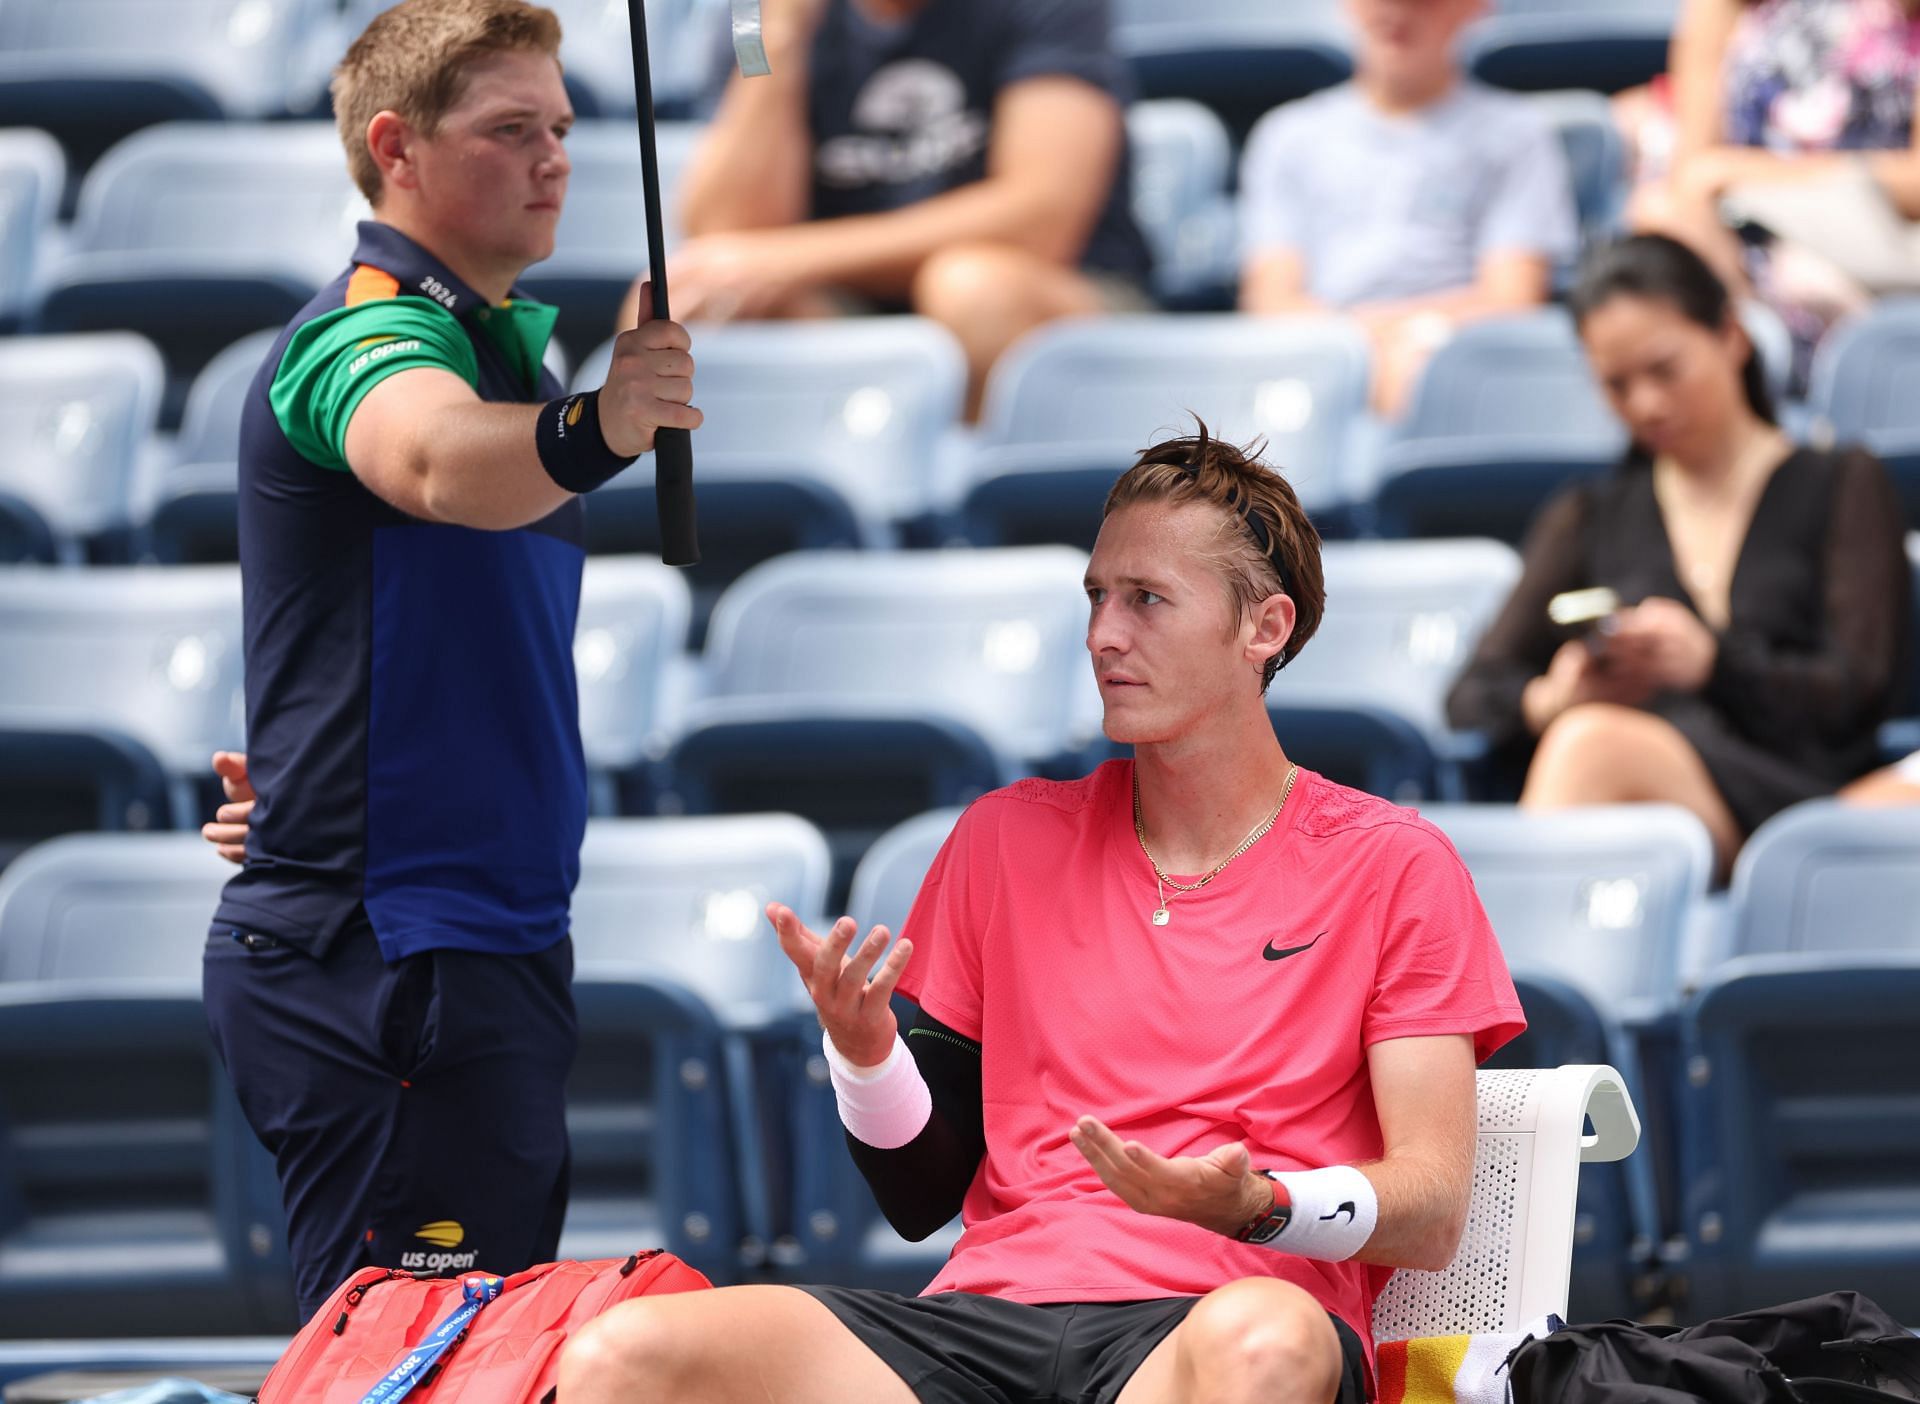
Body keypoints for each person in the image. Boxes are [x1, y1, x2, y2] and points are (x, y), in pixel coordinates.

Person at [554, 428, 1526, 1404]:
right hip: (988, 1317)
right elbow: (919, 1195)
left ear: (1263, 629)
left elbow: (1433, 1208)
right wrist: (865, 1054)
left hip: (1220, 1315)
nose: (1105, 635)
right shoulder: (1002, 838)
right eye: (1098, 597)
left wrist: (1258, 1206)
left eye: (1147, 599)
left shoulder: (1394, 862)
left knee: (1264, 1345)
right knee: (621, 1354)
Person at [199, 0, 699, 1322]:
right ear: (396, 147)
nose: (555, 160)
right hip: (390, 960)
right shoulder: (361, 337)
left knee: (474, 1355)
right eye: (509, 130)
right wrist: (599, 425)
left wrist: (321, 780)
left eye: (565, 130)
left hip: (483, 949)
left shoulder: (493, 352)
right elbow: (426, 458)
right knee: (400, 1362)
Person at [1447, 234, 1910, 876]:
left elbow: (1859, 693)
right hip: (1649, 806)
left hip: (1799, 798)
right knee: (1585, 738)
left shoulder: (1840, 483)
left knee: (1591, 746)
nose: (1645, 404)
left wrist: (1713, 665)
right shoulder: (1592, 513)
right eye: (1616, 385)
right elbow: (1473, 691)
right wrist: (1555, 697)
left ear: (1730, 336)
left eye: (1664, 370)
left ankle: (1486, 972)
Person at [616, 0, 1154, 419]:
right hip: (855, 313)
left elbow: (1041, 217)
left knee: (972, 290)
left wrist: (793, 259)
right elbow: (725, 233)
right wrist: (779, 37)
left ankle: (962, 522)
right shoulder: (749, 17)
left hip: (1056, 295)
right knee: (682, 308)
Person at [1238, 0, 1578, 417]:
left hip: (1453, 364)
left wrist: (1409, 340)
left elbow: (1513, 297)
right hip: (1317, 368)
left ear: (1473, 7)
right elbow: (1271, 298)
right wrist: (1363, 349)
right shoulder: (1287, 135)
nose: (1397, 12)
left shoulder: (1518, 133)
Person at [1623, 0, 1920, 369]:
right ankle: (1753, 371)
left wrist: (1748, 173)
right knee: (1660, 214)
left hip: (1865, 234)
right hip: (1743, 236)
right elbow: (1692, 168)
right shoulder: (1721, 9)